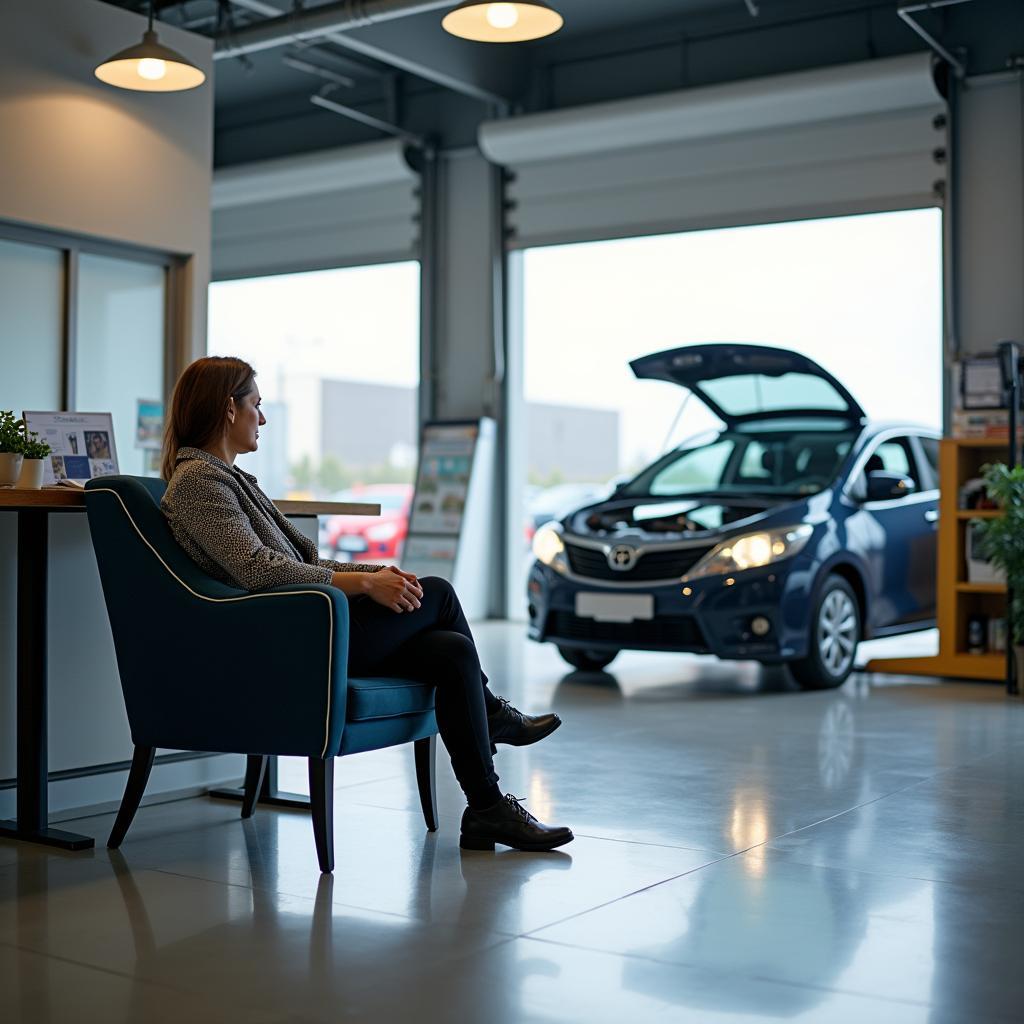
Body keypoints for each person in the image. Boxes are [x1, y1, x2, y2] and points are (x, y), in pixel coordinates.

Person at [160, 356, 573, 853]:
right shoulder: (199, 484)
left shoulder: (231, 479)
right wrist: (360, 585)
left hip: (311, 623)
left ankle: (486, 809)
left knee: (451, 651)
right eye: (256, 405)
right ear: (229, 409)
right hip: (295, 636)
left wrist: (377, 573)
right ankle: (494, 716)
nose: (262, 418)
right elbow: (257, 570)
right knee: (437, 593)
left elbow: (304, 558)